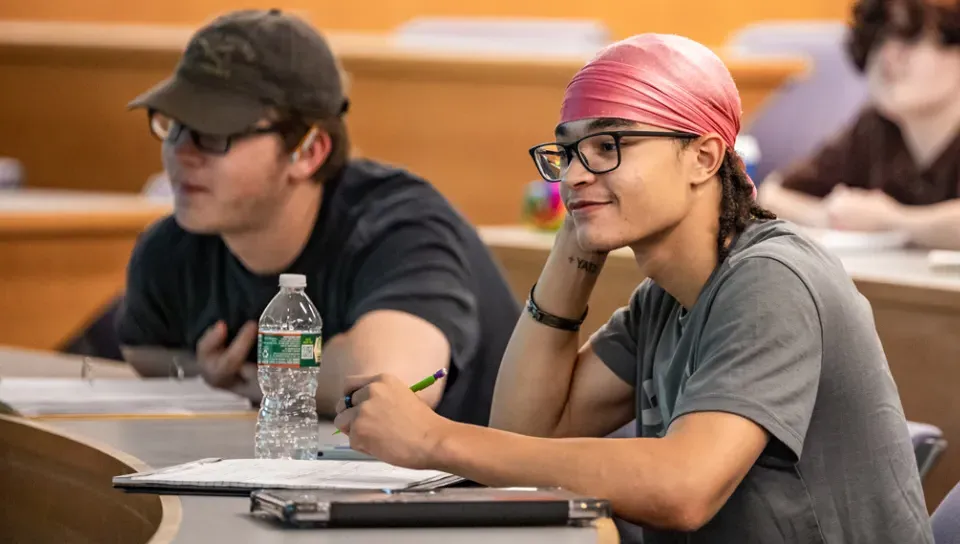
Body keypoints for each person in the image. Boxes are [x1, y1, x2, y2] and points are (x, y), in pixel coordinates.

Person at [332, 34, 933, 542]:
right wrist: (577, 243)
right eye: (566, 154)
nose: (573, 174)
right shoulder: (664, 300)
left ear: (702, 157)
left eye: (606, 147)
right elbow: (527, 436)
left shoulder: (771, 280)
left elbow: (682, 487)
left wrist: (434, 438)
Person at [116, 9, 520, 425]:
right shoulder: (177, 244)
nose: (181, 152)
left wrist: (257, 382)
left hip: (480, 486)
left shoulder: (399, 226)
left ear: (308, 152)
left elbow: (395, 385)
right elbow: (142, 350)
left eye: (214, 134)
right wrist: (202, 373)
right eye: (175, 125)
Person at [759, 0, 960, 249]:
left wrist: (893, 221)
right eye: (878, 39)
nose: (888, 56)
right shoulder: (874, 126)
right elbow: (773, 194)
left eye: (911, 39)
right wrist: (829, 216)